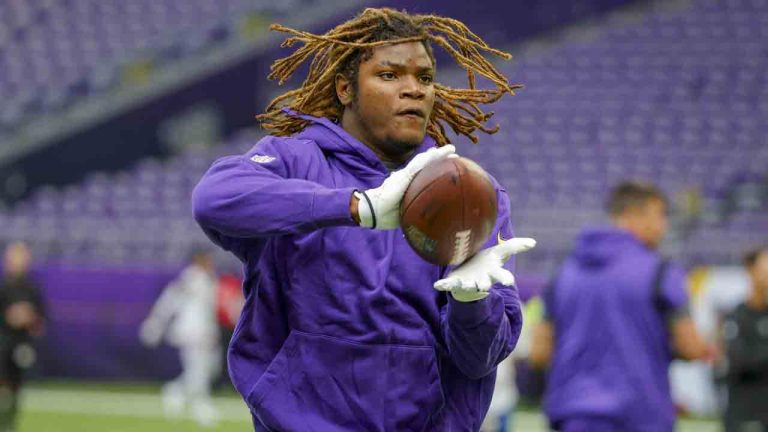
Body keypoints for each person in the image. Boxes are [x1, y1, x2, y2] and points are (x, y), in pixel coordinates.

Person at [192, 8, 535, 431]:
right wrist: (356, 207)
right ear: (345, 89)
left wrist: (471, 306)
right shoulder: (292, 161)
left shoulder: (468, 195)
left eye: (424, 78)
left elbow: (481, 358)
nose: (413, 89)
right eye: (390, 75)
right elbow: (213, 198)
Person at [529, 181, 713, 432]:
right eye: (660, 215)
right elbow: (690, 347)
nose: (664, 226)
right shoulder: (661, 272)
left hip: (574, 413)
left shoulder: (563, 273)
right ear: (636, 215)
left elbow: (539, 352)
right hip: (641, 414)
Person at [139, 250, 220, 428]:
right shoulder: (191, 277)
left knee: (207, 369)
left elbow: (207, 311)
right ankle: (202, 408)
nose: (211, 262)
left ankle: (174, 391)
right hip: (190, 331)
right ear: (198, 259)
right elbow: (170, 299)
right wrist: (155, 324)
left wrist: (211, 330)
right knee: (198, 370)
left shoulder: (207, 279)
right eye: (207, 259)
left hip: (203, 331)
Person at [722, 245, 768, 432]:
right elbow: (739, 361)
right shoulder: (737, 317)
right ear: (751, 271)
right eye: (765, 267)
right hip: (745, 416)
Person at [0, 242, 44, 432]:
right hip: (3, 342)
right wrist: (10, 317)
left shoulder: (32, 289)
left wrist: (29, 318)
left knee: (16, 385)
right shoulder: (3, 288)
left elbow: (41, 319)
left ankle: (10, 423)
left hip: (21, 344)